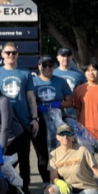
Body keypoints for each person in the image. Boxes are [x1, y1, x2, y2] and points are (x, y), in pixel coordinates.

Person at [0, 42, 39, 194]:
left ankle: (25, 189)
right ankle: (8, 190)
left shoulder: (25, 73)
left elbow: (31, 97)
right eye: (8, 53)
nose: (11, 55)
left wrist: (35, 118)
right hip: (2, 124)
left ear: (18, 55)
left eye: (14, 53)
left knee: (24, 159)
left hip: (23, 122)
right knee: (4, 160)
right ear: (2, 55)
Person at [32, 55, 74, 183]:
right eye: (44, 65)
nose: (47, 68)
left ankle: (61, 182)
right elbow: (29, 100)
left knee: (60, 152)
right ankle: (46, 184)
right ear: (39, 66)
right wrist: (37, 108)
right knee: (43, 155)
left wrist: (58, 104)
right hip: (40, 122)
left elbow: (70, 101)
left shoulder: (60, 81)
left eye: (50, 65)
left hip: (58, 121)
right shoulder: (33, 82)